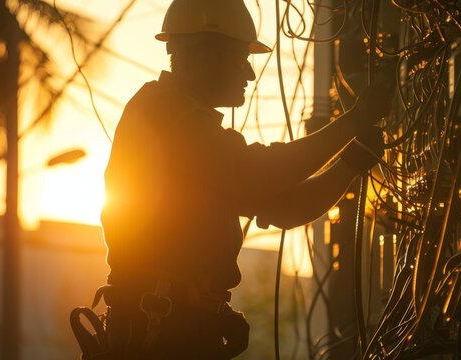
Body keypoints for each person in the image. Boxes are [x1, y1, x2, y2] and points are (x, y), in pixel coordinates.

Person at [99, 0, 391, 358]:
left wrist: (351, 162)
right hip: (161, 332)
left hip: (176, 327)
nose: (250, 75)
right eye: (242, 59)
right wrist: (351, 122)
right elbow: (262, 174)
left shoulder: (193, 131)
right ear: (207, 58)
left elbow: (286, 206)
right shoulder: (164, 114)